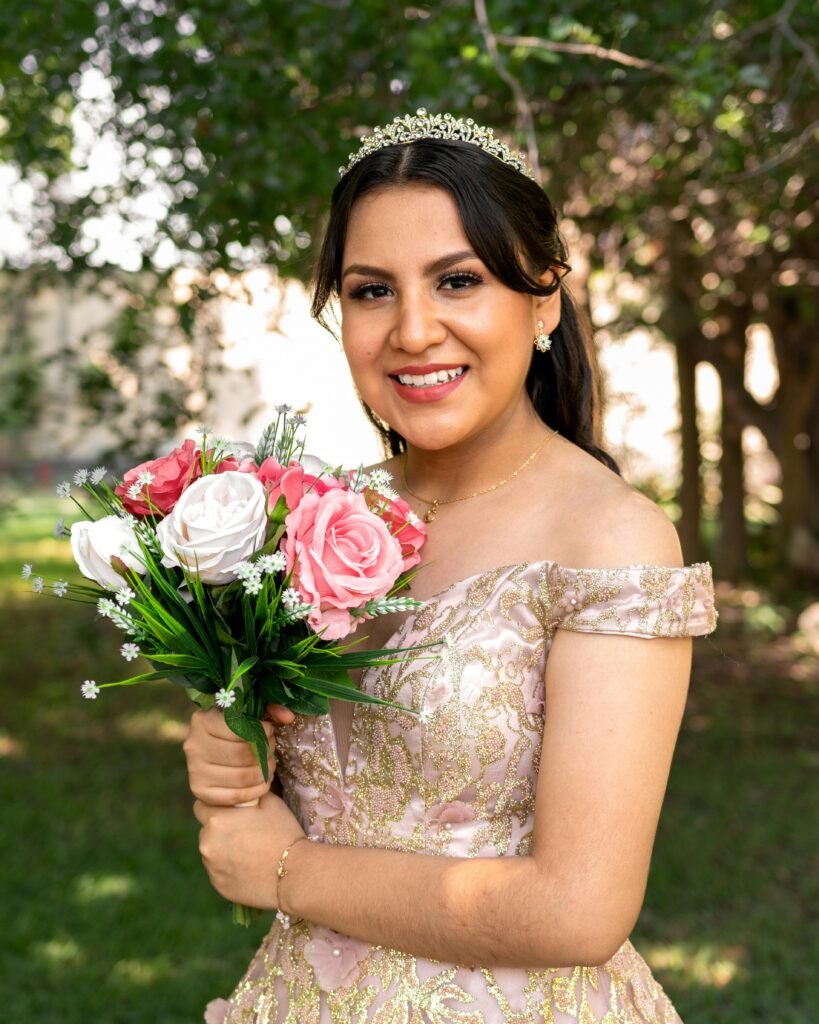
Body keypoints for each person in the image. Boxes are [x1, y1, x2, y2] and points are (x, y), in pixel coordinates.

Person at [184, 109, 717, 1023]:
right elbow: (288, 780)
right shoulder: (313, 516)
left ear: (543, 297)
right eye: (370, 290)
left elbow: (577, 909)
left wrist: (285, 869)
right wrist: (228, 743)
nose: (414, 330)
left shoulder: (609, 540)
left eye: (457, 280)